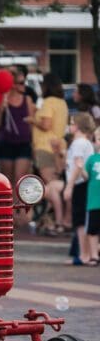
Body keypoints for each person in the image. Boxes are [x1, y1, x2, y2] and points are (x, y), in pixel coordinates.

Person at [0, 68, 36, 196]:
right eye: (21, 82)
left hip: (23, 144)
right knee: (7, 181)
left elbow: (31, 125)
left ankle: (20, 211)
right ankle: (9, 210)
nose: (24, 86)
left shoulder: (27, 99)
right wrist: (1, 110)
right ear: (12, 84)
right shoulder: (1, 100)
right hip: (6, 143)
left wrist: (33, 145)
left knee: (20, 178)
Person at [62, 113, 96, 265]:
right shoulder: (86, 143)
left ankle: (84, 254)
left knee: (80, 221)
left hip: (79, 184)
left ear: (77, 126)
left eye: (72, 123)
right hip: (84, 183)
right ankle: (87, 253)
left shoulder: (78, 143)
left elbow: (78, 164)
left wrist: (69, 186)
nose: (70, 125)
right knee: (83, 219)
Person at [32, 73, 70, 202]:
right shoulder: (62, 102)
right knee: (55, 183)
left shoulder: (48, 102)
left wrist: (32, 120)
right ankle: (52, 217)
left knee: (51, 185)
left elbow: (46, 125)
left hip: (45, 147)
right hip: (59, 146)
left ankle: (58, 217)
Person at [82, 127, 100, 264]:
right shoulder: (92, 159)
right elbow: (86, 177)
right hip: (94, 201)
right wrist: (80, 168)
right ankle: (94, 255)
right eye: (98, 138)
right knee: (93, 230)